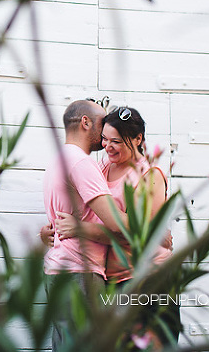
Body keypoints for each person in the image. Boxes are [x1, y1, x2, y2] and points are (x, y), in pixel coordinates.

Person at [51, 106, 179, 348]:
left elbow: (137, 236)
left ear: (138, 139)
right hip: (113, 283)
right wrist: (55, 227)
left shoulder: (150, 175)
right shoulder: (101, 169)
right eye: (105, 140)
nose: (108, 147)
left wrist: (79, 229)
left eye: (117, 142)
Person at [42, 99, 130, 351]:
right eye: (103, 123)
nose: (106, 133)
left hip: (59, 270)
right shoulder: (82, 163)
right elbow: (116, 222)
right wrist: (153, 227)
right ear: (85, 122)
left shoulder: (58, 159)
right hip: (79, 271)